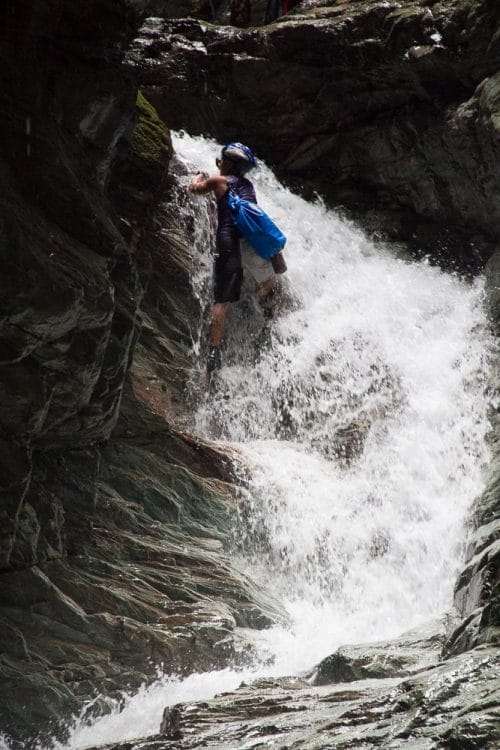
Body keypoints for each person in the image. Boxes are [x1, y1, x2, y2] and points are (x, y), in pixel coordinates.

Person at [189, 142, 280, 378]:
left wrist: (200, 175)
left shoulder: (218, 182)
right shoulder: (248, 186)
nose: (219, 165)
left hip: (228, 244)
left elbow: (193, 189)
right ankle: (254, 300)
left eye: (221, 161)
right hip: (250, 244)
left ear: (229, 163)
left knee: (222, 301)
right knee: (271, 280)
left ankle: (213, 351)